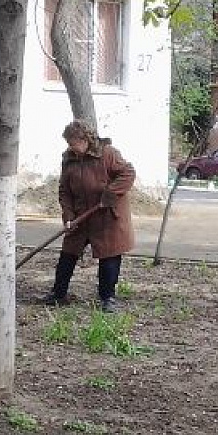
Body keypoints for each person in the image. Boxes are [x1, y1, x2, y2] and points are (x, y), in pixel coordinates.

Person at [39, 120, 137, 312]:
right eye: (68, 143)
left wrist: (110, 194)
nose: (71, 147)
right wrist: (68, 215)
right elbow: (64, 190)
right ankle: (58, 293)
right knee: (68, 254)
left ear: (85, 140)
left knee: (109, 257)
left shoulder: (108, 153)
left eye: (73, 142)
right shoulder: (69, 158)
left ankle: (107, 298)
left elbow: (128, 173)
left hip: (107, 215)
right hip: (80, 215)